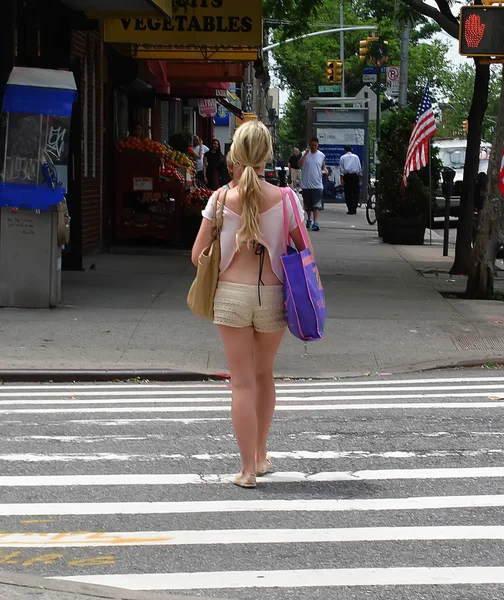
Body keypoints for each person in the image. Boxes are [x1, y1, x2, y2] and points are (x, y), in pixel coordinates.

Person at [191, 121, 311, 489]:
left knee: (241, 383)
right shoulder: (287, 199)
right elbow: (305, 251)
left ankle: (245, 471)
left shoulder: (219, 199)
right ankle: (260, 456)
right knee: (264, 376)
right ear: (266, 156)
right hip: (272, 296)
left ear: (235, 154)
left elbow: (197, 256)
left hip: (230, 296)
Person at [298, 137, 326, 231]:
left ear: (318, 145)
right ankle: (309, 219)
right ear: (309, 145)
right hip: (306, 184)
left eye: (315, 145)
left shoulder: (321, 155)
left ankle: (316, 222)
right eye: (312, 145)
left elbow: (323, 167)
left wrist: (325, 171)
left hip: (317, 184)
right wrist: (305, 153)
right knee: (308, 205)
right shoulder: (304, 154)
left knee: (316, 205)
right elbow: (299, 165)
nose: (313, 147)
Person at [339, 145, 363, 215]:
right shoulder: (356, 157)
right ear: (351, 150)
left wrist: (341, 178)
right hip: (355, 176)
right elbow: (359, 167)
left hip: (347, 176)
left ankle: (350, 209)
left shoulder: (342, 157)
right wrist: (359, 177)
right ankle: (354, 207)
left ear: (345, 150)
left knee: (348, 193)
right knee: (355, 192)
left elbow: (341, 169)